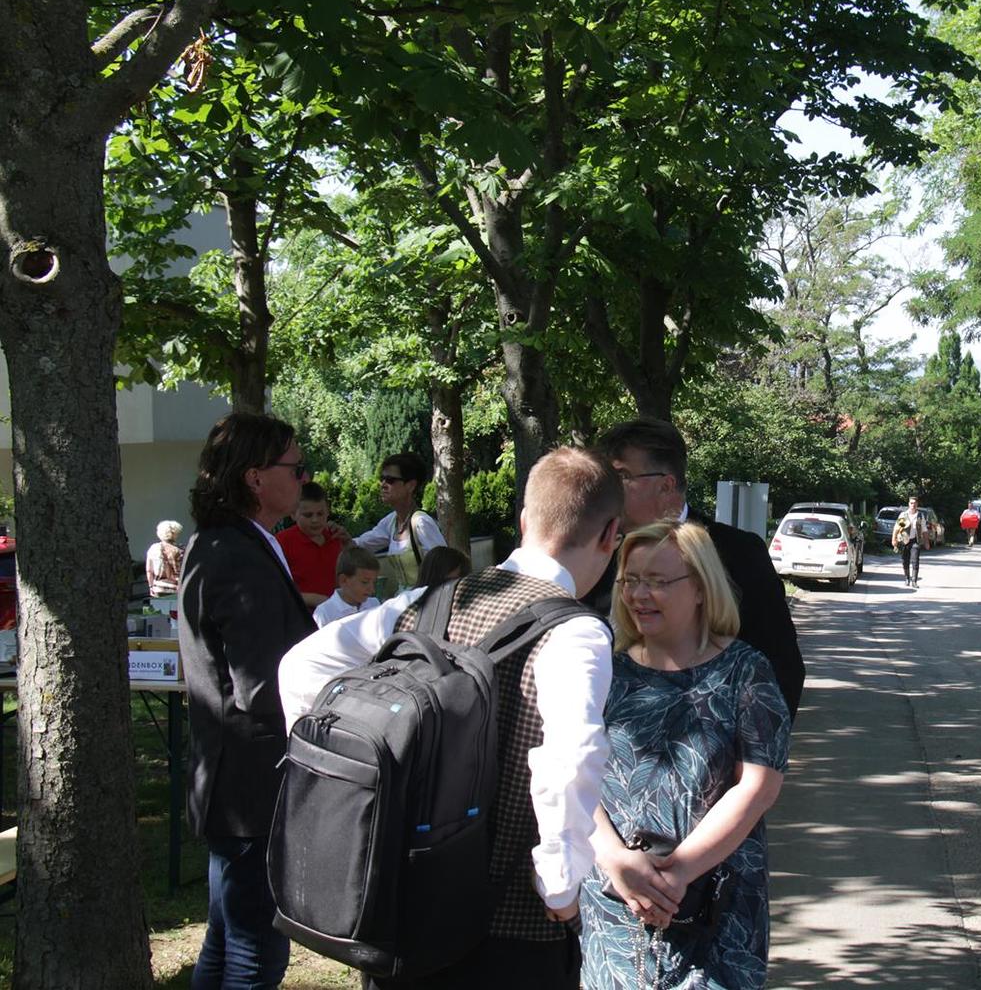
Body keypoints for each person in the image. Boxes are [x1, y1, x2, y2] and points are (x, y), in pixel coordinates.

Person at [279, 447, 623, 989]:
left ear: (524, 521)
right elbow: (570, 756)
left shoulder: (424, 602)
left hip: (400, 905)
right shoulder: (577, 632)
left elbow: (302, 665)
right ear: (610, 535)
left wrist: (329, 779)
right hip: (509, 929)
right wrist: (561, 883)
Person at [580, 520, 790, 989]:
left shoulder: (745, 672)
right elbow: (574, 775)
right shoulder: (604, 670)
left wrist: (676, 873)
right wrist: (614, 858)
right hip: (614, 904)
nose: (639, 594)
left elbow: (758, 787)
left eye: (657, 581)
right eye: (631, 580)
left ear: (700, 587)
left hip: (715, 908)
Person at [179, 412, 317, 989]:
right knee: (254, 954)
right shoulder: (235, 552)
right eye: (296, 468)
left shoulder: (227, 542)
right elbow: (259, 685)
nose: (305, 478)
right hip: (250, 787)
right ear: (256, 477)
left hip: (233, 782)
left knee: (227, 940)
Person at [586, 418, 806, 720]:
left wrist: (752, 745)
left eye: (622, 477)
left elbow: (782, 665)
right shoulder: (597, 554)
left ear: (666, 485)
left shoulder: (736, 552)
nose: (609, 490)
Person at [353, 452, 446, 595]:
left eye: (390, 480)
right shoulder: (391, 522)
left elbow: (445, 567)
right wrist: (337, 538)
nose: (383, 485)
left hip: (426, 599)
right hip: (403, 600)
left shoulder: (421, 523)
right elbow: (362, 544)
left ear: (411, 485)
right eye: (382, 479)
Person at [276, 482, 345, 609]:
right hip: (301, 616)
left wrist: (349, 544)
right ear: (293, 513)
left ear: (328, 511)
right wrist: (313, 599)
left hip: (337, 614)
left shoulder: (336, 537)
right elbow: (275, 590)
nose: (315, 520)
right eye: (308, 515)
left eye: (320, 514)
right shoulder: (281, 542)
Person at [312, 546, 381, 627]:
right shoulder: (324, 613)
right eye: (364, 582)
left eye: (374, 582)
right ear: (343, 580)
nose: (372, 590)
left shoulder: (374, 604)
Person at [890, 496, 930, 588]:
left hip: (915, 541)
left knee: (915, 560)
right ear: (909, 504)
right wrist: (894, 539)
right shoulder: (904, 515)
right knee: (905, 561)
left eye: (915, 503)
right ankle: (907, 578)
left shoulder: (920, 516)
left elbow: (924, 530)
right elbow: (897, 528)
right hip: (904, 541)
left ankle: (914, 581)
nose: (913, 505)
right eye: (911, 503)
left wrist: (926, 542)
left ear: (917, 504)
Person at [146, 519, 185, 597]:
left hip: (159, 589)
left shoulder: (153, 548)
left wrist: (151, 586)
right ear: (175, 533)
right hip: (179, 588)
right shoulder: (182, 549)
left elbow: (149, 570)